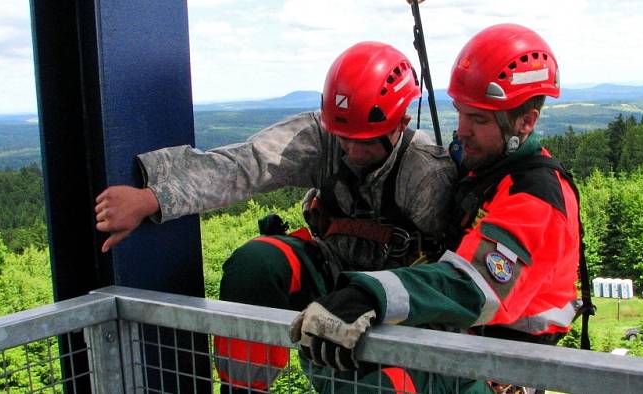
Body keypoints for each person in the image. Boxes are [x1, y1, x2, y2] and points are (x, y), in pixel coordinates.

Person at [94, 41, 457, 392]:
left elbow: (454, 271)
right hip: (331, 269)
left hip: (393, 298)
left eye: (363, 140)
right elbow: (248, 164)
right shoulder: (322, 136)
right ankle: (245, 387)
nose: (349, 149)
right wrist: (152, 198)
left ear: (400, 123)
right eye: (343, 136)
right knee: (256, 265)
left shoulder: (426, 176)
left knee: (370, 383)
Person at [290, 24, 587, 393]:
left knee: (378, 387)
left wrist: (371, 294)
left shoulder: (536, 197)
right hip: (464, 344)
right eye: (461, 112)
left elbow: (474, 285)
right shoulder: (485, 169)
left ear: (525, 122)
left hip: (504, 364)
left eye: (478, 119)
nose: (461, 131)